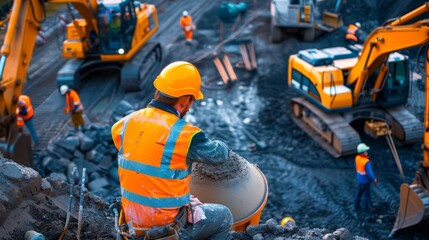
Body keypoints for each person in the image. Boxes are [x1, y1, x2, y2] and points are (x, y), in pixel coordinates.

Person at [111, 61, 233, 239]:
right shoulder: (184, 135)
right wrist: (223, 145)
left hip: (130, 225)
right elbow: (218, 155)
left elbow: (139, 149)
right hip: (163, 228)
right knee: (224, 217)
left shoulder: (126, 123)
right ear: (185, 101)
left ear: (158, 91)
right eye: (192, 101)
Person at [354, 143, 377, 216]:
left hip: (359, 180)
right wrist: (374, 179)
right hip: (365, 182)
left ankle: (356, 207)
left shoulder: (357, 158)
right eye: (365, 151)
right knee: (367, 196)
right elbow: (369, 173)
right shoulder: (366, 162)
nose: (367, 153)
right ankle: (365, 209)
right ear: (362, 153)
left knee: (358, 194)